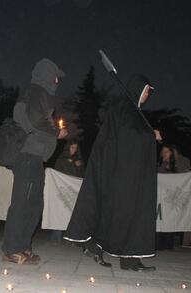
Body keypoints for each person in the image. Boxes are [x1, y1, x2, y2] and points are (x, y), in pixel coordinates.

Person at [64, 74, 161, 272]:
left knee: (126, 214)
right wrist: (151, 135)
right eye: (147, 90)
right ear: (139, 89)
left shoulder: (132, 112)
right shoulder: (124, 109)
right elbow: (128, 139)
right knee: (121, 213)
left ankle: (128, 258)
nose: (148, 94)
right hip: (122, 176)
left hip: (129, 176)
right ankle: (97, 246)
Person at [2, 58, 67, 265]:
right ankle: (12, 249)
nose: (57, 80)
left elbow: (35, 118)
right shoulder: (36, 91)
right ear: (47, 74)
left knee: (34, 204)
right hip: (28, 155)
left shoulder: (40, 94)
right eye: (55, 76)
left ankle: (23, 246)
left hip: (35, 156)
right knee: (23, 202)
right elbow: (34, 119)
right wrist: (57, 132)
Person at [50, 140, 84, 244]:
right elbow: (58, 173)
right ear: (68, 148)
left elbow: (81, 176)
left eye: (75, 148)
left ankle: (68, 237)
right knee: (59, 212)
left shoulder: (79, 160)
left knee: (70, 214)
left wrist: (79, 166)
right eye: (72, 147)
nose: (74, 150)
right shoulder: (61, 159)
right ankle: (56, 237)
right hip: (62, 190)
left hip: (73, 191)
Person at [156, 145, 176, 250]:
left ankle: (168, 243)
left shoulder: (174, 166)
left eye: (167, 151)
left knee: (168, 219)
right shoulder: (157, 164)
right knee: (158, 218)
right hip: (158, 195)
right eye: (163, 151)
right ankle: (158, 243)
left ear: (171, 153)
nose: (165, 153)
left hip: (169, 197)